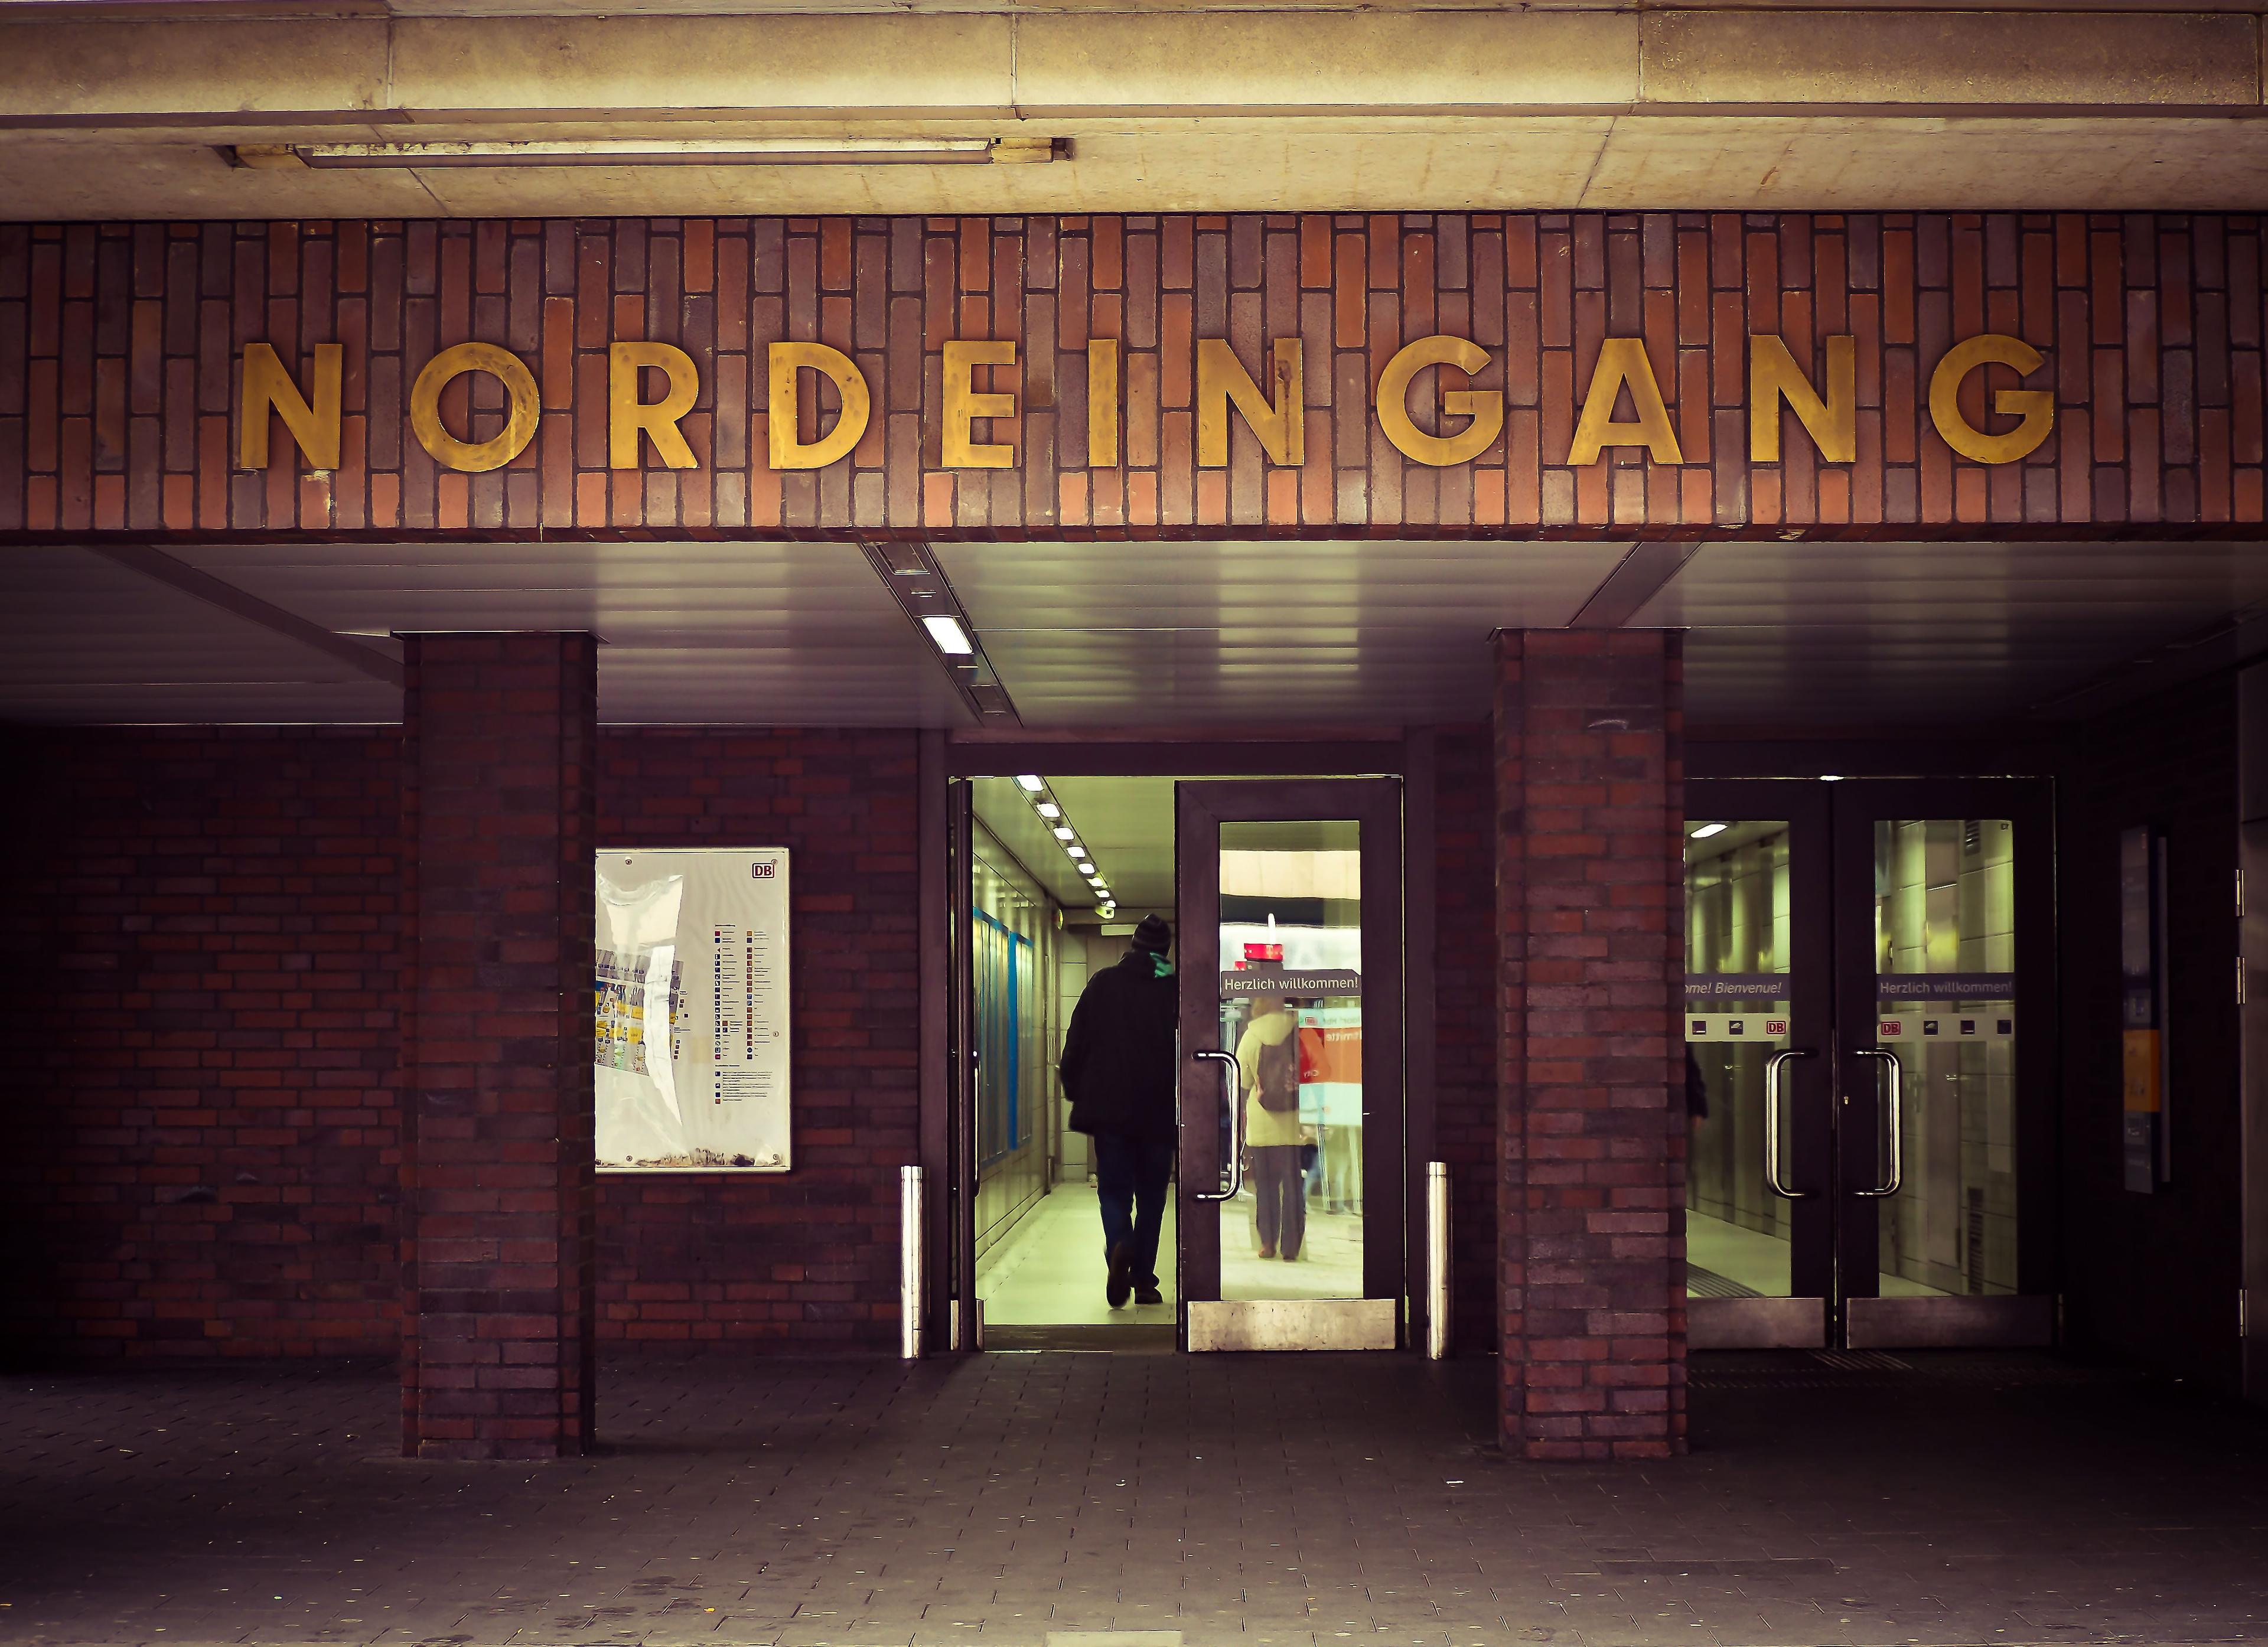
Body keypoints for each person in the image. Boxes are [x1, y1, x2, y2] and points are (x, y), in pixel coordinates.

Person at [1059, 913, 1178, 1309]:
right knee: (1152, 1197)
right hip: (1157, 1111)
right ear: (1164, 951)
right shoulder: (1171, 989)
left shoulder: (1103, 983)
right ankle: (1143, 1279)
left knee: (1113, 1190)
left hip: (1109, 1112)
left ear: (1133, 945)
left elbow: (1075, 1042)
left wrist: (1073, 1087)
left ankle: (1119, 1245)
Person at [1234, 993, 1309, 1261]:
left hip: (1262, 1121)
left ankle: (1267, 1243)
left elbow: (1241, 1080)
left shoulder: (1251, 1035)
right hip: (1294, 1121)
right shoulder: (1300, 1031)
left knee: (1265, 1187)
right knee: (1293, 1186)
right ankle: (1292, 1247)